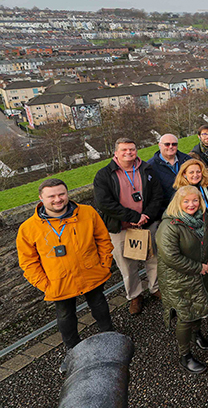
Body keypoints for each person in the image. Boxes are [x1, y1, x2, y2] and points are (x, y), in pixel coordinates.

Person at [17, 179, 114, 354]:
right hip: (59, 282)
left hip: (92, 273)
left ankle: (110, 338)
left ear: (67, 193)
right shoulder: (28, 228)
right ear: (41, 198)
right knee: (65, 316)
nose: (58, 199)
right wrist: (45, 285)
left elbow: (103, 239)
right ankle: (73, 351)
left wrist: (105, 265)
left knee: (100, 305)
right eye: (51, 196)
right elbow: (28, 262)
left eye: (61, 194)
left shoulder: (87, 212)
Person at [93, 138, 163, 315]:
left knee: (153, 258)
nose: (128, 153)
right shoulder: (104, 175)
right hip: (121, 228)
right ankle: (135, 295)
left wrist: (146, 216)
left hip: (147, 224)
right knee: (126, 264)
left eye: (132, 149)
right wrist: (132, 217)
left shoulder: (147, 169)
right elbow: (104, 203)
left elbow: (157, 195)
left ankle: (155, 288)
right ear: (116, 153)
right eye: (124, 150)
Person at [155, 185, 208, 374]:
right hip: (178, 279)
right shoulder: (169, 226)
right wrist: (200, 267)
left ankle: (197, 334)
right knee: (185, 316)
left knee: (198, 307)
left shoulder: (203, 219)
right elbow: (171, 257)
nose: (191, 205)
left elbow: (207, 242)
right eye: (186, 201)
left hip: (199, 274)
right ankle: (185, 355)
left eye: (195, 200)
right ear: (178, 203)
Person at [172, 159, 208, 309]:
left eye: (198, 171)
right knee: (199, 265)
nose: (195, 175)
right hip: (193, 233)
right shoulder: (181, 192)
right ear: (184, 174)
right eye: (191, 172)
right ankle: (202, 300)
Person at [148, 134, 191, 208]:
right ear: (159, 145)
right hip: (168, 208)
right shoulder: (151, 166)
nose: (171, 147)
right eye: (167, 144)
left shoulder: (187, 160)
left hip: (190, 204)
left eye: (174, 144)